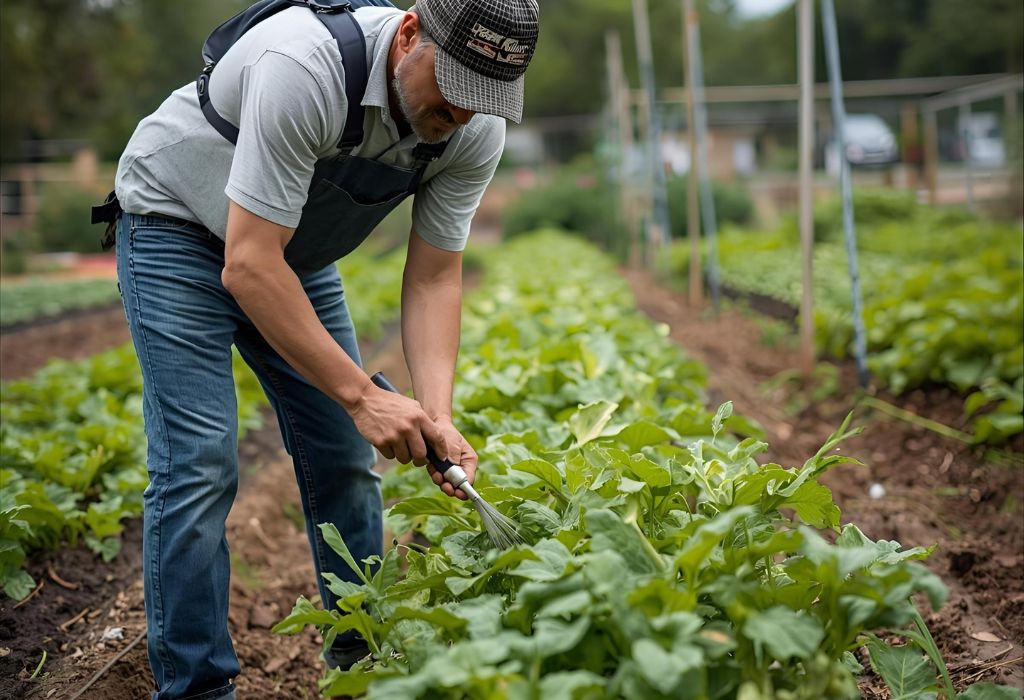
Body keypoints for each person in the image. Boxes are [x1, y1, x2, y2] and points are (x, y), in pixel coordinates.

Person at [103, 0, 539, 697]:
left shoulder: (472, 129)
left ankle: (363, 665)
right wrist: (364, 395)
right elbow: (248, 265)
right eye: (454, 87)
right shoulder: (304, 66)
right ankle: (197, 688)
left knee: (343, 455)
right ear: (408, 35)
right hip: (175, 227)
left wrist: (437, 413)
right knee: (201, 462)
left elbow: (434, 277)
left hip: (289, 255)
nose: (462, 113)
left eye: (483, 98)